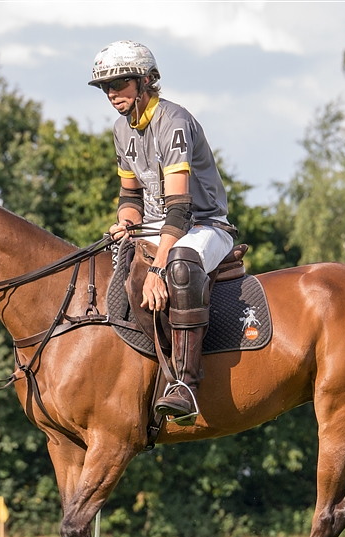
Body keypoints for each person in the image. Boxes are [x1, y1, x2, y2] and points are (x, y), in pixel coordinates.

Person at [91, 40, 237, 424]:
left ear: (146, 81)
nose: (111, 93)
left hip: (203, 225)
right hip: (158, 227)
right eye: (106, 86)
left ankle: (185, 385)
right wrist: (125, 223)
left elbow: (180, 208)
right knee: (107, 264)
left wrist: (158, 267)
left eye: (120, 83)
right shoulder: (122, 130)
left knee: (182, 266)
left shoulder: (173, 121)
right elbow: (129, 195)